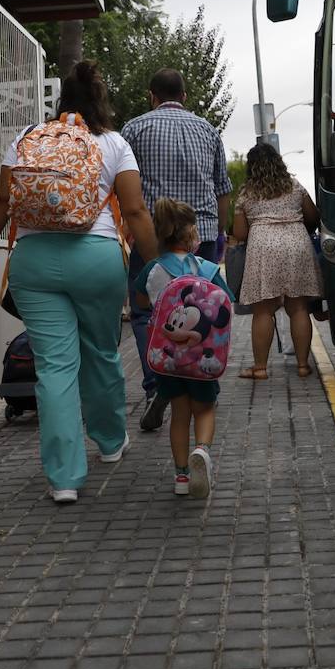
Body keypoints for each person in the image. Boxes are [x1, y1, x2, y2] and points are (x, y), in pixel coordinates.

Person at [0, 61, 158, 504]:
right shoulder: (113, 143)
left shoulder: (27, 138)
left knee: (54, 366)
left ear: (59, 104)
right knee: (101, 349)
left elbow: (1, 200)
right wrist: (155, 265)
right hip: (95, 258)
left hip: (33, 263)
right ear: (99, 101)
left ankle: (64, 479)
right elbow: (134, 211)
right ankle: (111, 441)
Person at [121, 69, 233, 432]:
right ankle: (199, 374)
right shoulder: (208, 130)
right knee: (201, 305)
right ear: (184, 95)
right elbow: (222, 190)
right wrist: (219, 235)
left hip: (152, 236)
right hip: (201, 235)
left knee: (145, 312)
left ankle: (158, 380)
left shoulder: (133, 130)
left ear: (152, 95)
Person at [134, 198, 233, 498]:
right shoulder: (206, 267)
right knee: (203, 410)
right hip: (201, 360)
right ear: (190, 234)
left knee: (179, 415)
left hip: (167, 360)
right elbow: (226, 301)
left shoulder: (152, 269)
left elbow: (140, 302)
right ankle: (201, 451)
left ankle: (181, 476)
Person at [230, 143, 324, 380]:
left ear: (252, 167)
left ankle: (260, 368)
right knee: (299, 308)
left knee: (262, 311)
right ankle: (303, 365)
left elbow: (240, 235)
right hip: (296, 244)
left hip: (263, 248)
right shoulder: (294, 186)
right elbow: (313, 217)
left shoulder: (246, 193)